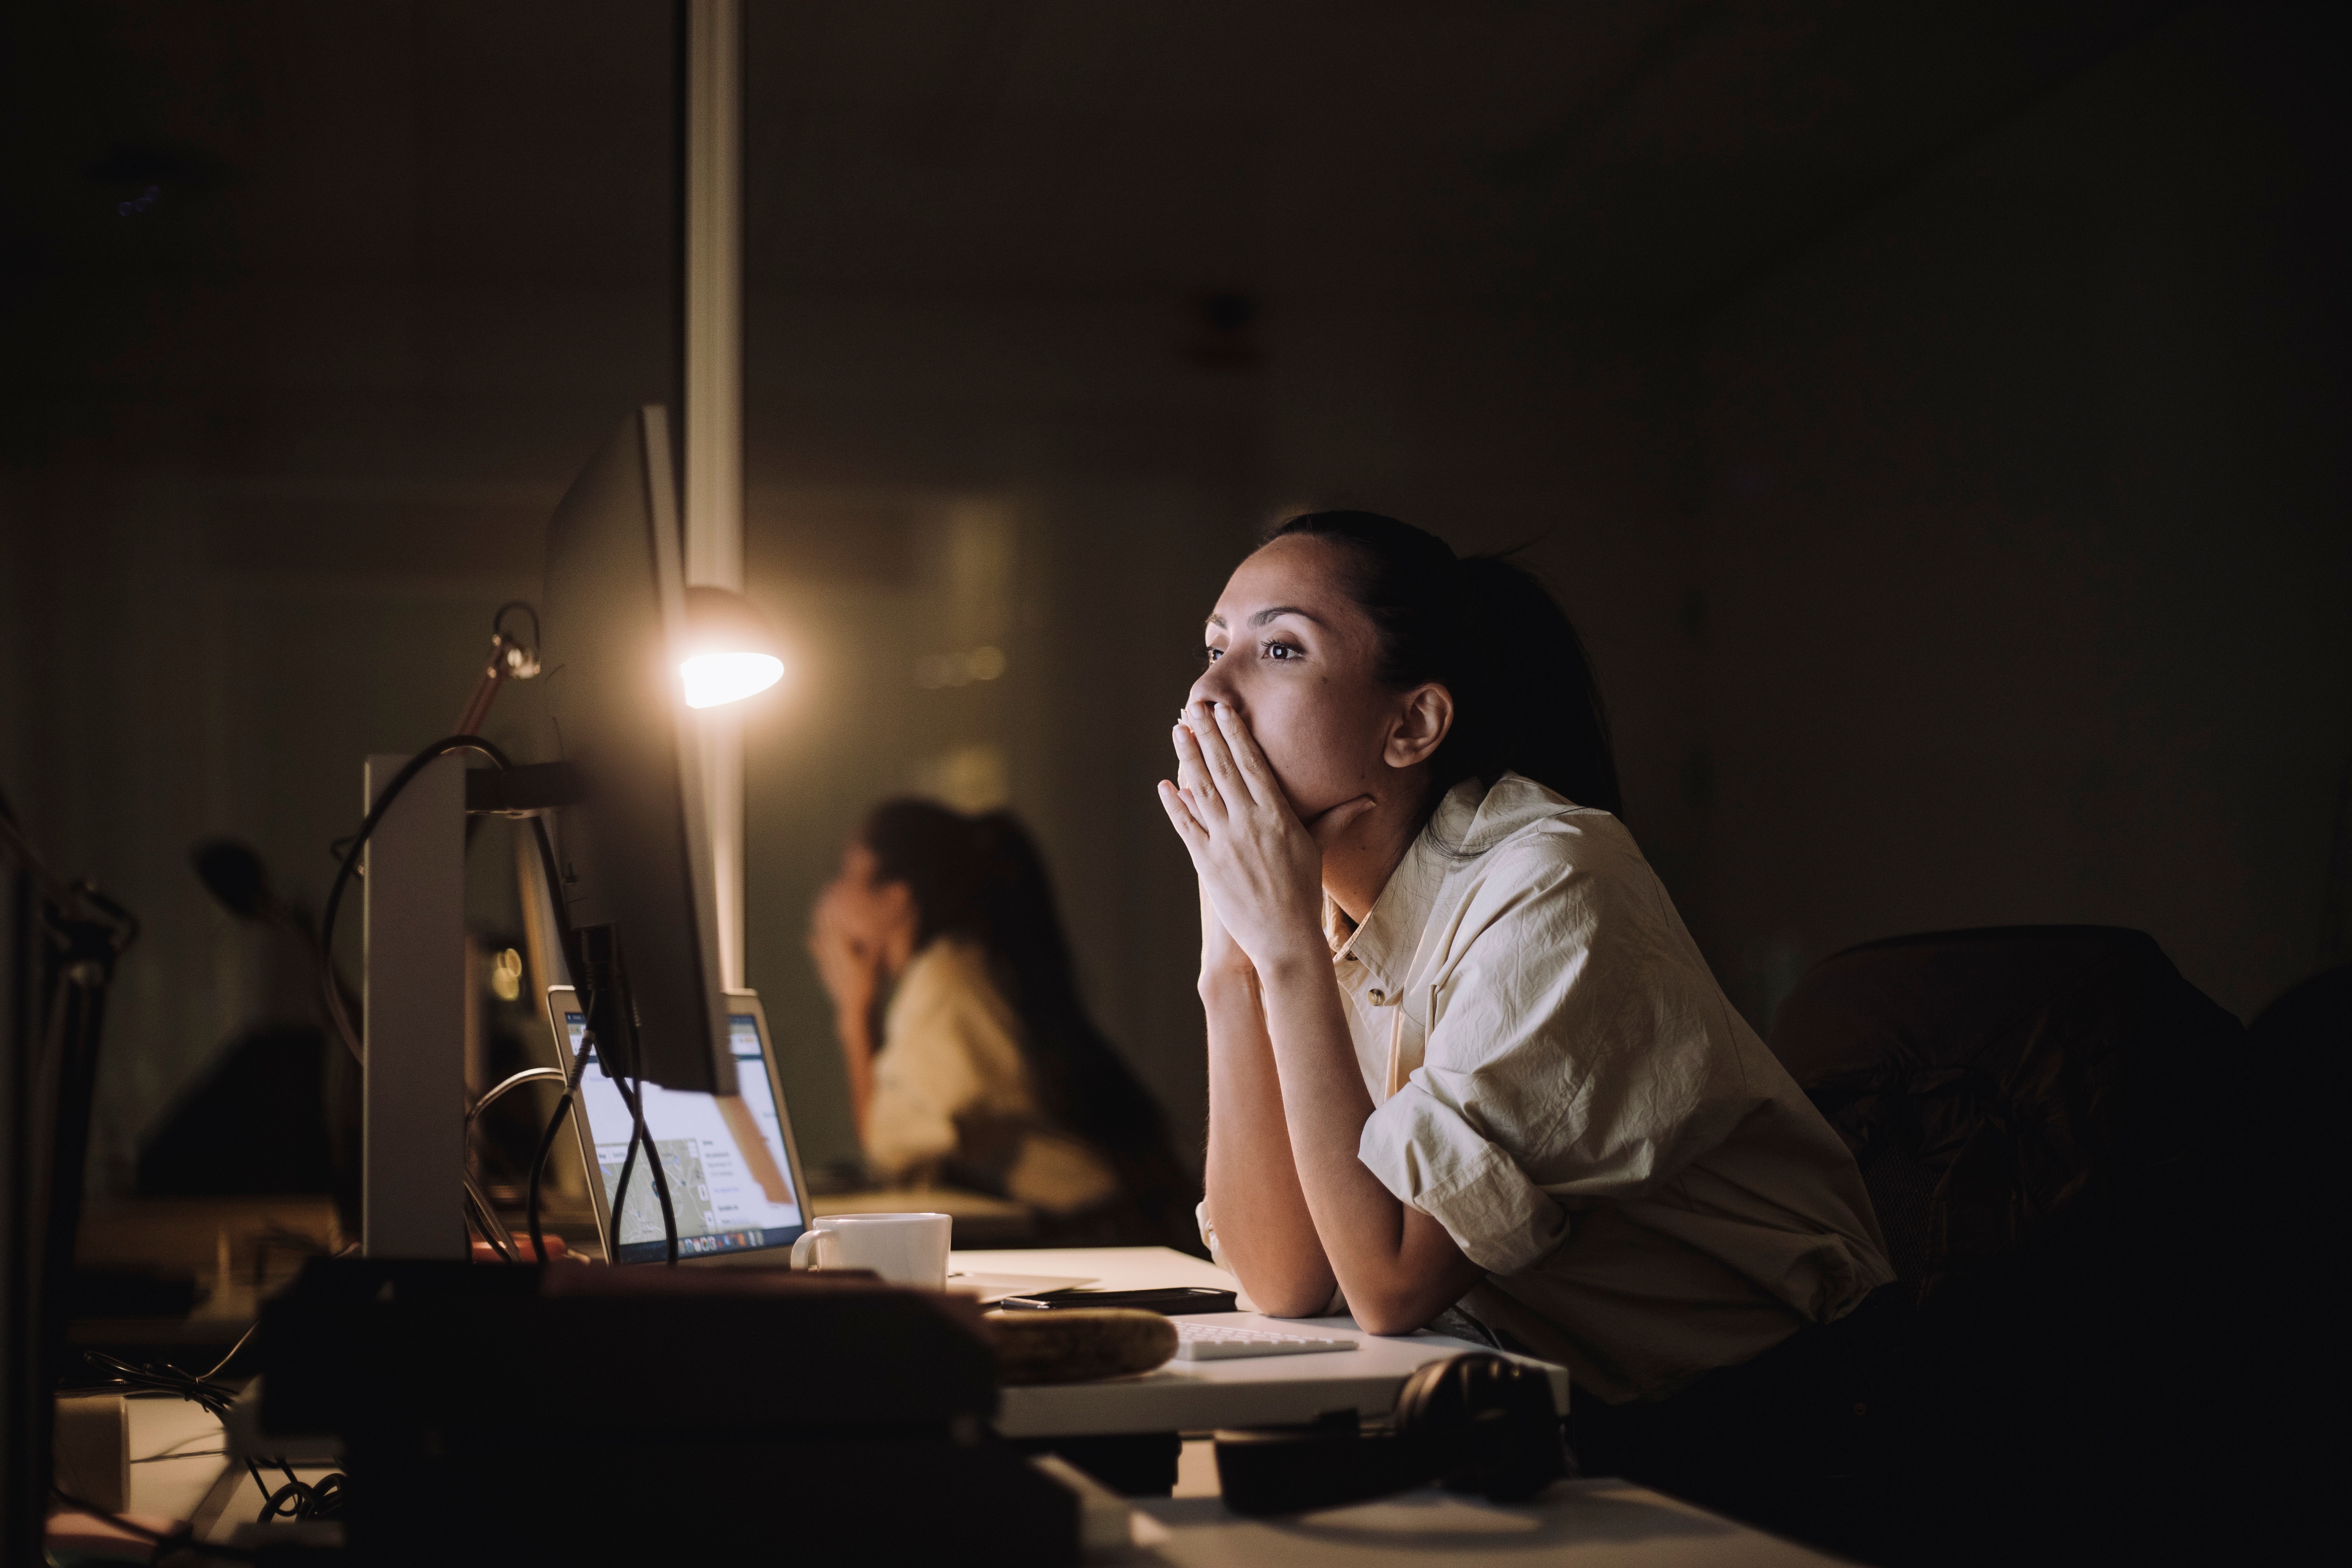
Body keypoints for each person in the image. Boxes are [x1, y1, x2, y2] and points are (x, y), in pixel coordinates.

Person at [1156, 511, 1892, 1500]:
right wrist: (1233, 962)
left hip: (1769, 1430)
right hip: (1552, 1413)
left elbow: (1388, 1281)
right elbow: (1285, 1278)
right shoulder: (1324, 910)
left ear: (1412, 723)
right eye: (1214, 647)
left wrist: (1282, 951)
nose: (1209, 692)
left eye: (1279, 648)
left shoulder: (1552, 880)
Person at [809, 799, 1195, 1246]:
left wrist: (855, 1012)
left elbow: (891, 1147)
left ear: (896, 897)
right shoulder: (962, 967)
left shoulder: (945, 983)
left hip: (1092, 1233)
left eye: (848, 874)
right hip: (1097, 1223)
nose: (830, 898)